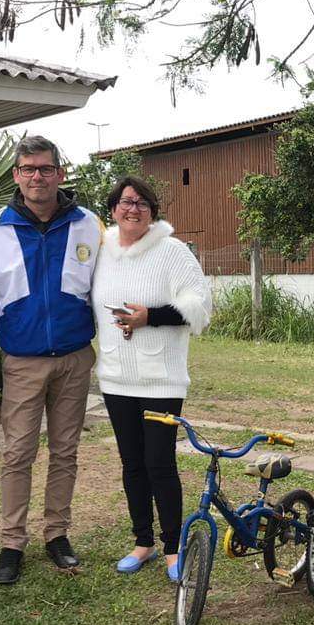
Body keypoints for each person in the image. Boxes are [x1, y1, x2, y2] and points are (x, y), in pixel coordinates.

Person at [0, 136, 102, 585]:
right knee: (17, 453)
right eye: (28, 169)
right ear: (16, 175)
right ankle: (12, 543)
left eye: (45, 169)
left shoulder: (90, 226)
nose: (36, 176)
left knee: (65, 451)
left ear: (60, 174)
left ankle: (57, 534)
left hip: (74, 357)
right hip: (24, 361)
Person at [90, 177, 211, 580]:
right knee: (132, 464)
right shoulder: (101, 251)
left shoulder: (171, 251)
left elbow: (199, 305)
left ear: (153, 211)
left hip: (161, 378)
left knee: (160, 463)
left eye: (142, 203)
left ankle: (174, 547)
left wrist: (150, 316)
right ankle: (143, 542)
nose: (133, 209)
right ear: (113, 209)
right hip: (116, 377)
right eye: (126, 202)